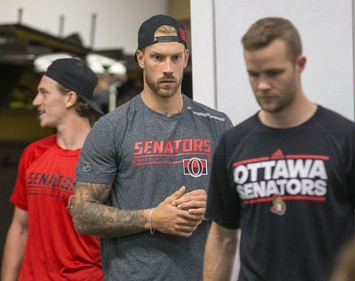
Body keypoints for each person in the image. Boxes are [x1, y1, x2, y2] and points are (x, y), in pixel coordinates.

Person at [203, 17, 355, 281]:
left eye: (274, 73)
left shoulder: (347, 139)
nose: (262, 85)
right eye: (254, 74)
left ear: (299, 65)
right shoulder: (233, 144)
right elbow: (222, 238)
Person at [70, 14, 232, 281]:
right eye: (158, 57)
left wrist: (214, 203)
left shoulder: (217, 124)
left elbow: (247, 201)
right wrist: (152, 218)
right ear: (141, 58)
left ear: (186, 58)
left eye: (175, 58)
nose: (168, 68)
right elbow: (82, 213)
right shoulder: (112, 128)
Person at [1, 58, 104, 281]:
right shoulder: (33, 154)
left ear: (70, 98)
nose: (36, 101)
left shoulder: (105, 160)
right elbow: (20, 228)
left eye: (44, 93)